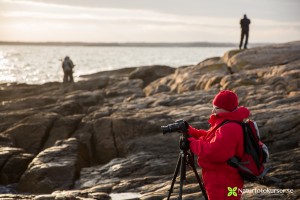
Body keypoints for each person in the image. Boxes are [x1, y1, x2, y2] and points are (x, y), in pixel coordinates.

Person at [187, 90, 250, 200]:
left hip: (224, 182)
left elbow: (214, 153)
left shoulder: (229, 128)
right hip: (222, 179)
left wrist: (191, 143)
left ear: (226, 109)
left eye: (216, 108)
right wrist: (191, 131)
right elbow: (211, 138)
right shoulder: (228, 122)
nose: (213, 110)